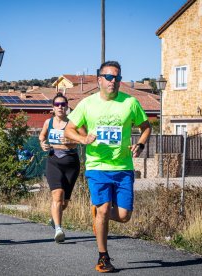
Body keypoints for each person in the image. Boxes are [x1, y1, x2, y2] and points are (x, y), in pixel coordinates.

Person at [65, 61, 151, 272]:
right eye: (110, 77)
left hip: (123, 167)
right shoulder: (87, 104)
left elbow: (146, 127)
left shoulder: (130, 103)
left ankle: (99, 211)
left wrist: (140, 143)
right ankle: (103, 257)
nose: (114, 81)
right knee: (104, 210)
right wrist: (83, 139)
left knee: (123, 216)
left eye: (118, 78)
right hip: (97, 166)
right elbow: (69, 129)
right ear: (100, 79)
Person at [39, 92, 83, 243]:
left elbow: (79, 142)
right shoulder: (48, 122)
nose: (60, 107)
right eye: (57, 105)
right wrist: (43, 144)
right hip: (54, 161)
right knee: (57, 195)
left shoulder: (72, 123)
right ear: (53, 107)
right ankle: (58, 229)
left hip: (71, 162)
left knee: (64, 203)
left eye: (62, 105)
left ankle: (54, 217)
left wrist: (69, 141)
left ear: (67, 107)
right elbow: (42, 136)